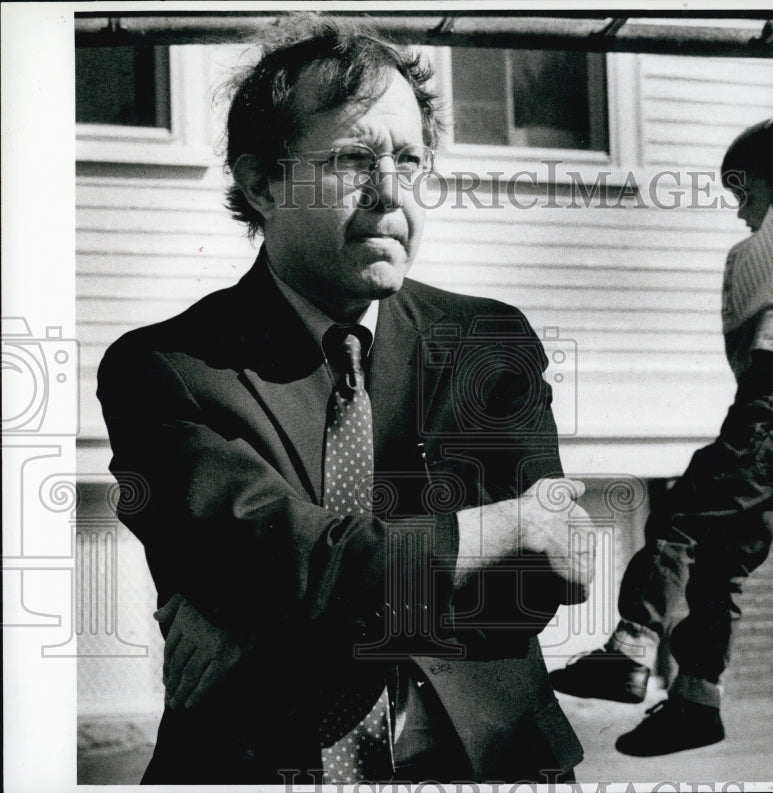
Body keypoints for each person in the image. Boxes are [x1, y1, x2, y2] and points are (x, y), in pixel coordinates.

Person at [98, 17, 596, 784]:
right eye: (354, 159)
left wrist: (264, 624)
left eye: (408, 159)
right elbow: (287, 566)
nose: (390, 192)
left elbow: (525, 595)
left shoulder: (486, 343)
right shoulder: (167, 370)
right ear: (261, 182)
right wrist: (509, 524)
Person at [549, 20, 773, 757]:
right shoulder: (758, 251)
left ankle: (633, 642)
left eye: (743, 190)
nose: (737, 206)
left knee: (682, 514)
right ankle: (696, 699)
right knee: (721, 561)